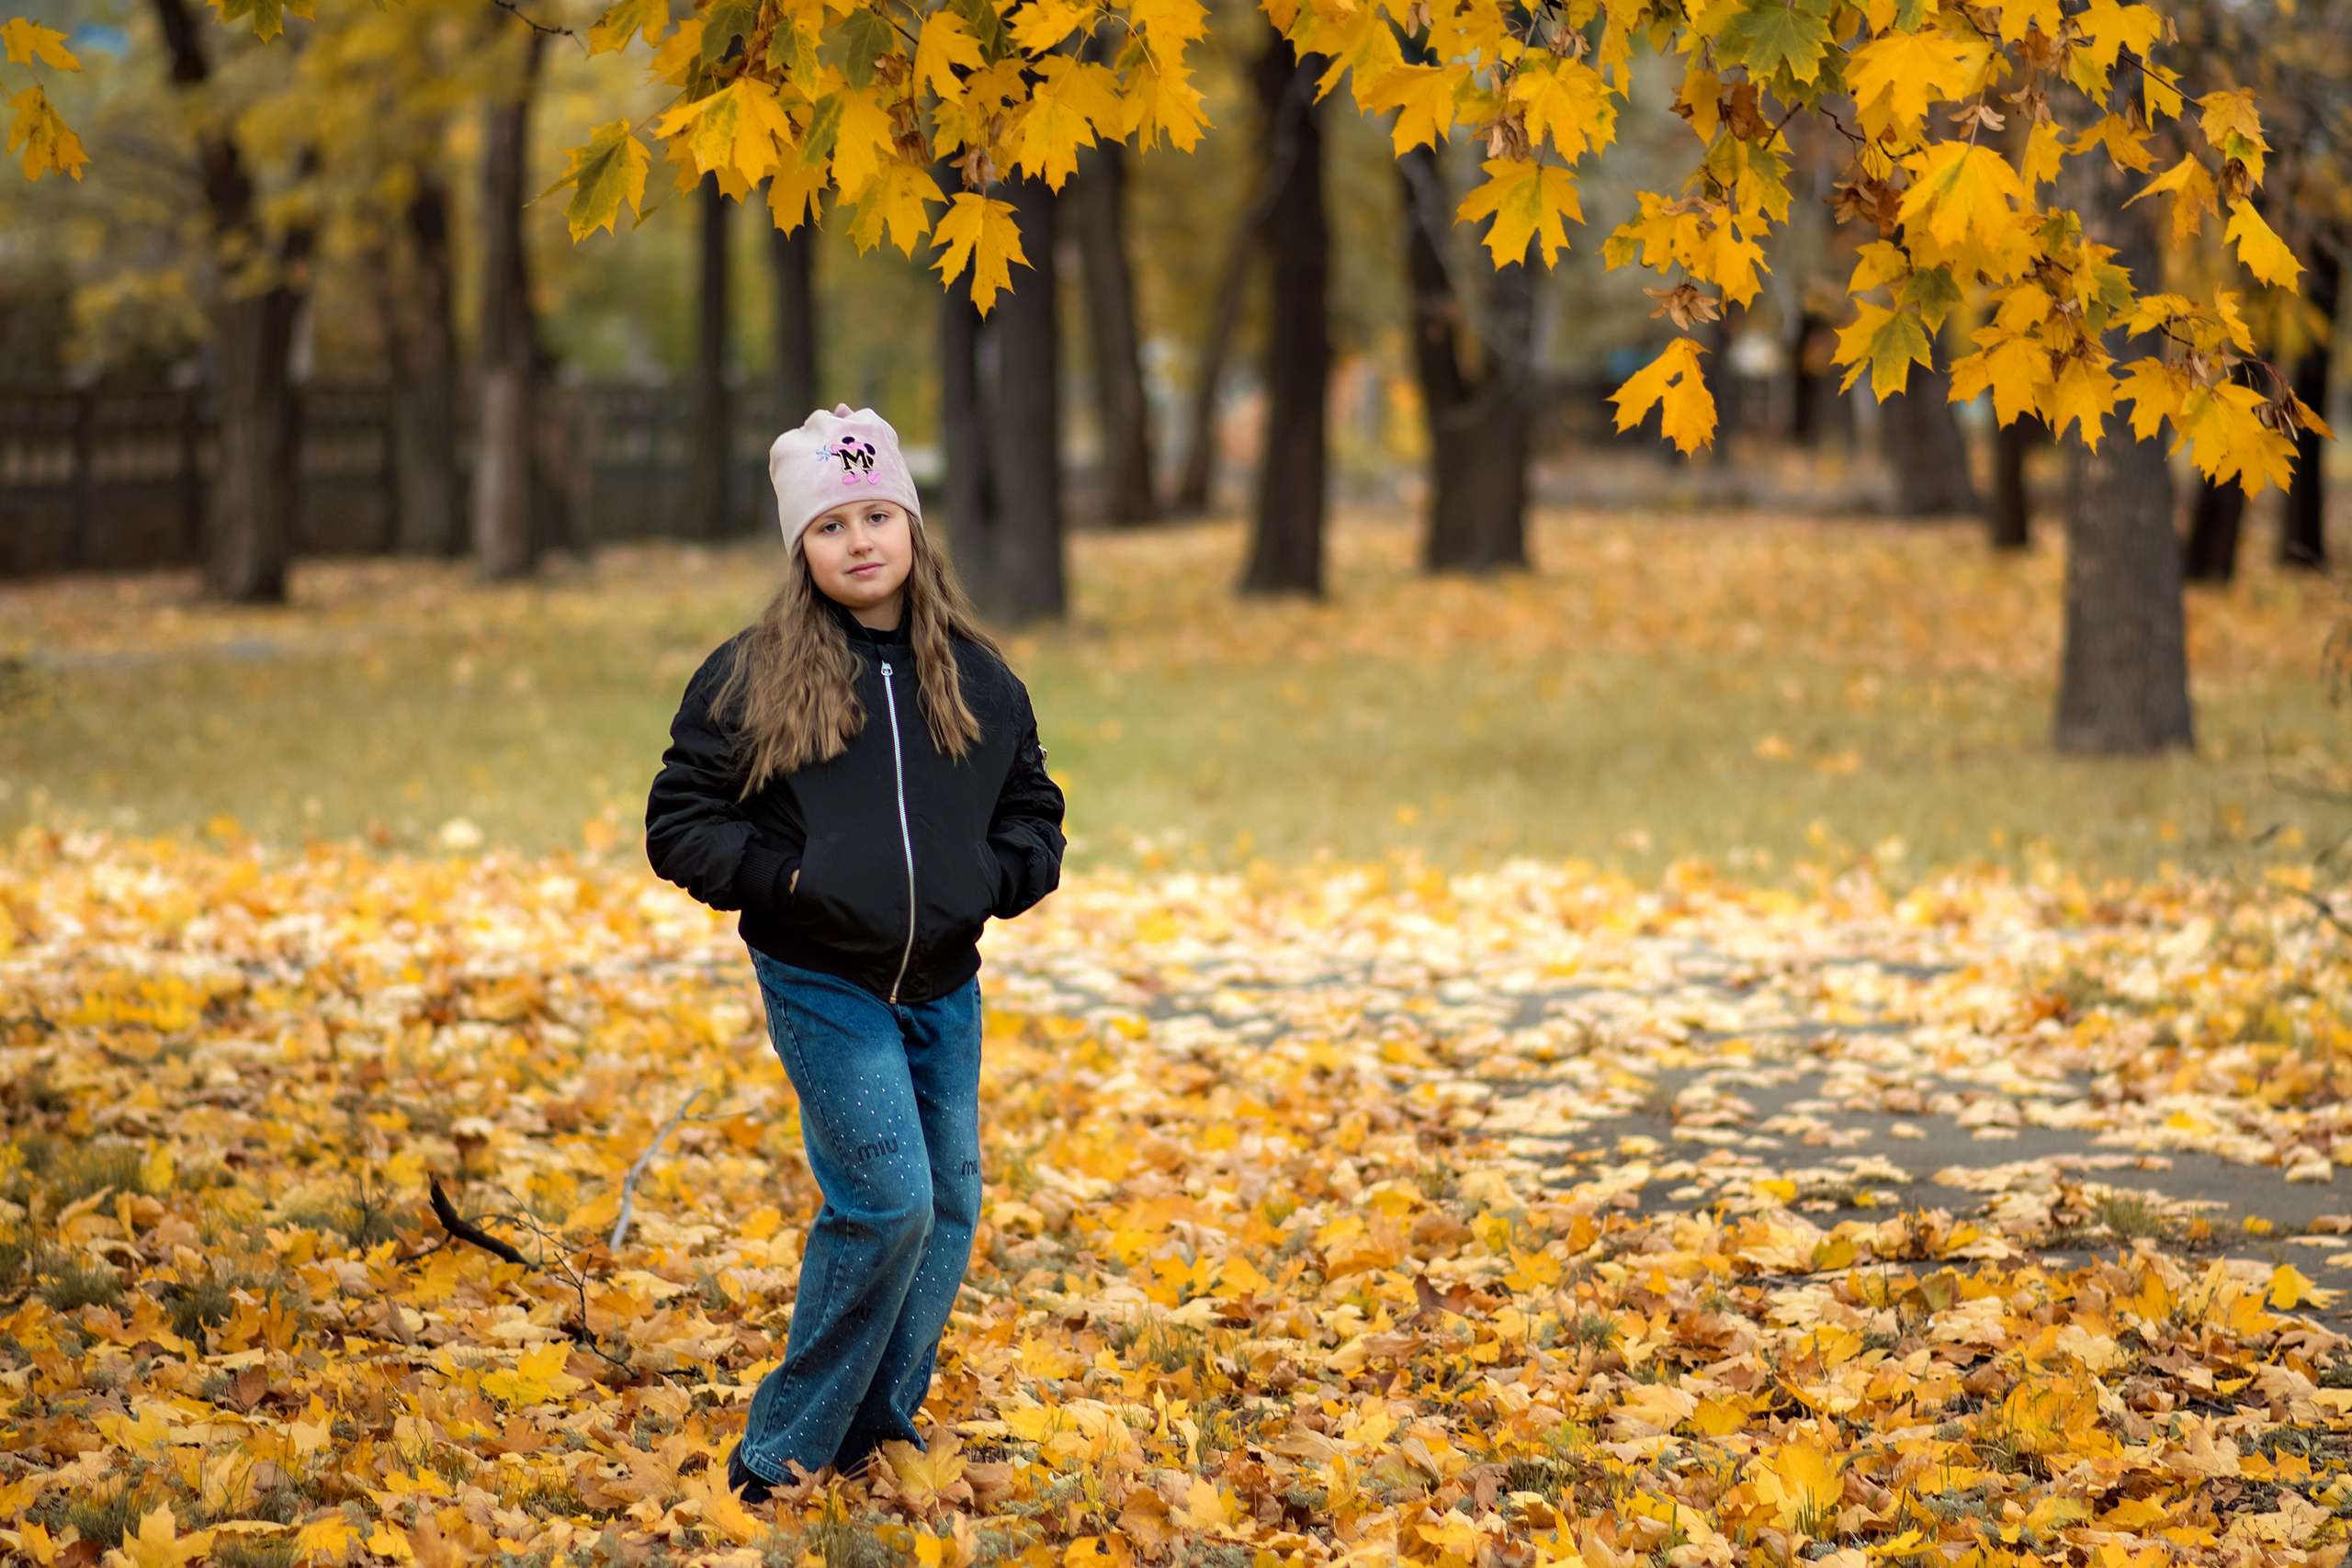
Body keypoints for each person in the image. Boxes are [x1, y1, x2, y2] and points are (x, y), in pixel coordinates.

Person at [645, 404, 1065, 1495]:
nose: (861, 540)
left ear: (914, 528)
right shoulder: (750, 675)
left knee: (952, 1203)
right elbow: (681, 821)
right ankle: (780, 1449)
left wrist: (999, 878)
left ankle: (874, 1420)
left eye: (880, 514)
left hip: (942, 984)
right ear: (801, 549)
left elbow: (1033, 808)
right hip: (823, 976)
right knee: (887, 1200)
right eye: (832, 526)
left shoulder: (976, 677)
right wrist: (790, 881)